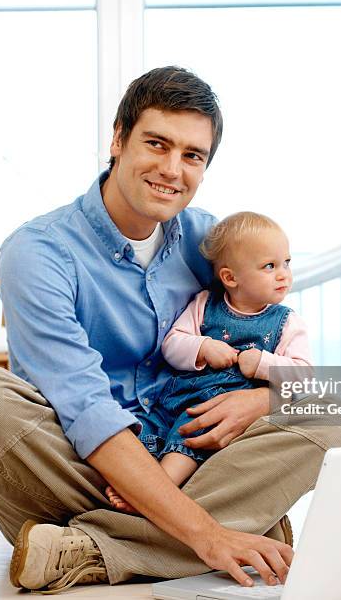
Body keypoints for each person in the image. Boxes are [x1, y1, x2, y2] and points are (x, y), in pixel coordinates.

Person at [0, 66, 341, 595]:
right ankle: (218, 531)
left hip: (187, 451)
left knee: (330, 414)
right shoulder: (38, 251)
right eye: (156, 144)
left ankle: (85, 551)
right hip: (80, 463)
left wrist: (259, 403)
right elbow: (85, 408)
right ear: (118, 138)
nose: (171, 169)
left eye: (192, 156)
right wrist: (207, 533)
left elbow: (270, 340)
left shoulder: (210, 240)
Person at [106, 212, 312, 514]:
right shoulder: (205, 304)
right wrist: (203, 347)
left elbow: (304, 375)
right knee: (141, 431)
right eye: (270, 266)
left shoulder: (286, 323)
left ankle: (154, 493)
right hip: (174, 399)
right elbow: (172, 344)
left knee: (188, 435)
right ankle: (136, 477)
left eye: (287, 263)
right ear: (230, 278)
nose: (284, 274)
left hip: (216, 411)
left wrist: (262, 363)